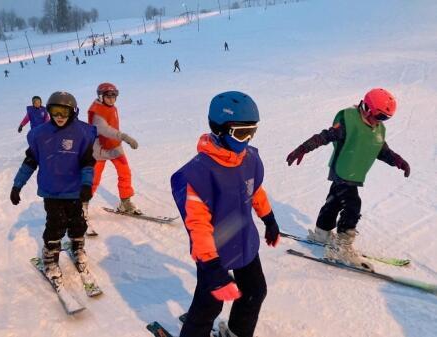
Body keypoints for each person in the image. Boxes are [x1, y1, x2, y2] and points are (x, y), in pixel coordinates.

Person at [171, 91, 280, 337]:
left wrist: (269, 219)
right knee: (209, 305)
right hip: (213, 253)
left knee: (255, 291)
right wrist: (211, 267)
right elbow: (197, 225)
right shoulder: (198, 174)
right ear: (219, 129)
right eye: (242, 133)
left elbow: (255, 190)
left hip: (244, 243)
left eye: (253, 132)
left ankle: (235, 332)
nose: (248, 139)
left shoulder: (248, 159)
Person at [286, 88, 410, 270]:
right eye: (379, 116)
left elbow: (381, 150)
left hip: (353, 172)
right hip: (343, 171)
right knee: (352, 204)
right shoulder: (348, 122)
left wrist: (398, 161)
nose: (380, 121)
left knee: (334, 202)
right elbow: (324, 136)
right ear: (367, 107)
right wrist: (303, 148)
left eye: (385, 118)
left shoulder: (377, 128)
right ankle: (342, 247)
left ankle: (322, 232)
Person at [10, 91, 97, 280]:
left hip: (74, 191)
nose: (59, 117)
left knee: (77, 222)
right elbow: (29, 162)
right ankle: (50, 256)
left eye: (64, 112)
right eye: (55, 111)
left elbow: (87, 163)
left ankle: (77, 246)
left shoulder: (81, 134)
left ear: (73, 112)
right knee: (55, 224)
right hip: (52, 191)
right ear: (49, 111)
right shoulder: (41, 135)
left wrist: (86, 185)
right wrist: (17, 186)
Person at [86, 82, 140, 216]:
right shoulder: (97, 111)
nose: (111, 99)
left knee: (125, 173)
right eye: (108, 96)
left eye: (114, 95)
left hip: (114, 146)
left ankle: (125, 201)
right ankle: (83, 203)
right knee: (94, 179)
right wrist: (124, 137)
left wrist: (119, 139)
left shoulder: (112, 107)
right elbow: (105, 129)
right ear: (100, 96)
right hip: (100, 149)